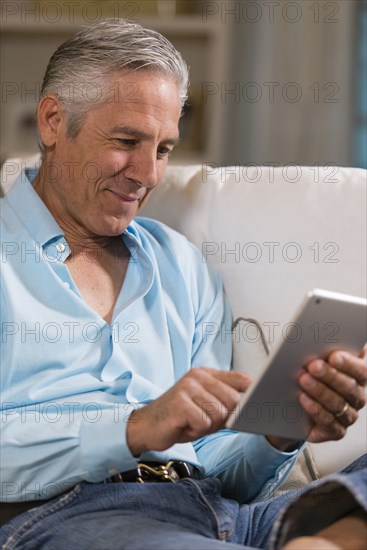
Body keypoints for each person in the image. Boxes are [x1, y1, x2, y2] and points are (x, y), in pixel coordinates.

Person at [0, 19, 366, 550]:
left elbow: (221, 465)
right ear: (54, 120)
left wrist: (282, 429)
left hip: (214, 509)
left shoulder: (179, 265)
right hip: (76, 520)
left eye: (165, 149)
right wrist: (135, 428)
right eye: (127, 141)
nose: (148, 174)